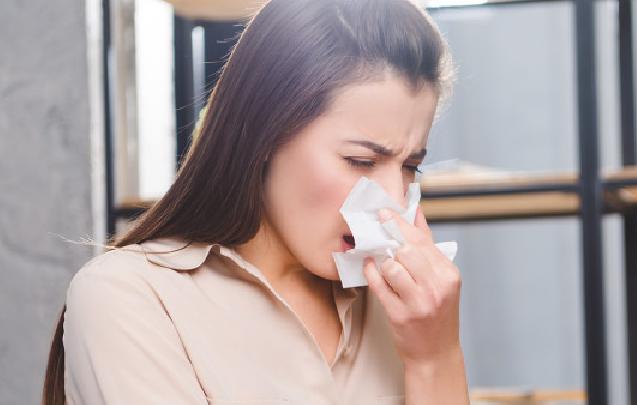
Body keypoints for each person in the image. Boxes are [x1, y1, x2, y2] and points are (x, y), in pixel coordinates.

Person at [42, 0, 469, 403]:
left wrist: (435, 358)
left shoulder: (406, 312)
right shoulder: (131, 298)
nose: (393, 200)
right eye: (360, 161)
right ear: (265, 133)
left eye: (411, 166)